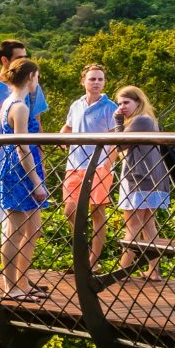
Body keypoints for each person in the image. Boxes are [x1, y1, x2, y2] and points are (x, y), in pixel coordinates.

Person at [0, 58, 50, 301]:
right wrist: (35, 179)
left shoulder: (11, 102)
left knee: (32, 229)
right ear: (31, 77)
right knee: (14, 230)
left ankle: (22, 282)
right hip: (21, 170)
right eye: (37, 76)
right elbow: (21, 147)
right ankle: (10, 286)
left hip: (22, 166)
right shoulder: (19, 107)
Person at [59, 64, 118, 264]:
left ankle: (93, 261)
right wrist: (60, 138)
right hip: (74, 165)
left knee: (96, 212)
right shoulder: (76, 105)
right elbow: (67, 127)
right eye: (92, 79)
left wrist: (107, 165)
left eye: (100, 79)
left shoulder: (111, 108)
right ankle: (82, 253)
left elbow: (115, 139)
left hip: (99, 165)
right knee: (70, 211)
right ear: (83, 81)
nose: (96, 83)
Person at [111, 85, 171, 273]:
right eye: (119, 103)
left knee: (133, 226)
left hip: (138, 179)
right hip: (152, 178)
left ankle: (121, 271)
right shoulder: (149, 120)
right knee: (148, 225)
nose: (122, 107)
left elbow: (118, 145)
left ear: (138, 101)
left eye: (126, 102)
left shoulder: (139, 121)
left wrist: (118, 122)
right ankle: (154, 271)